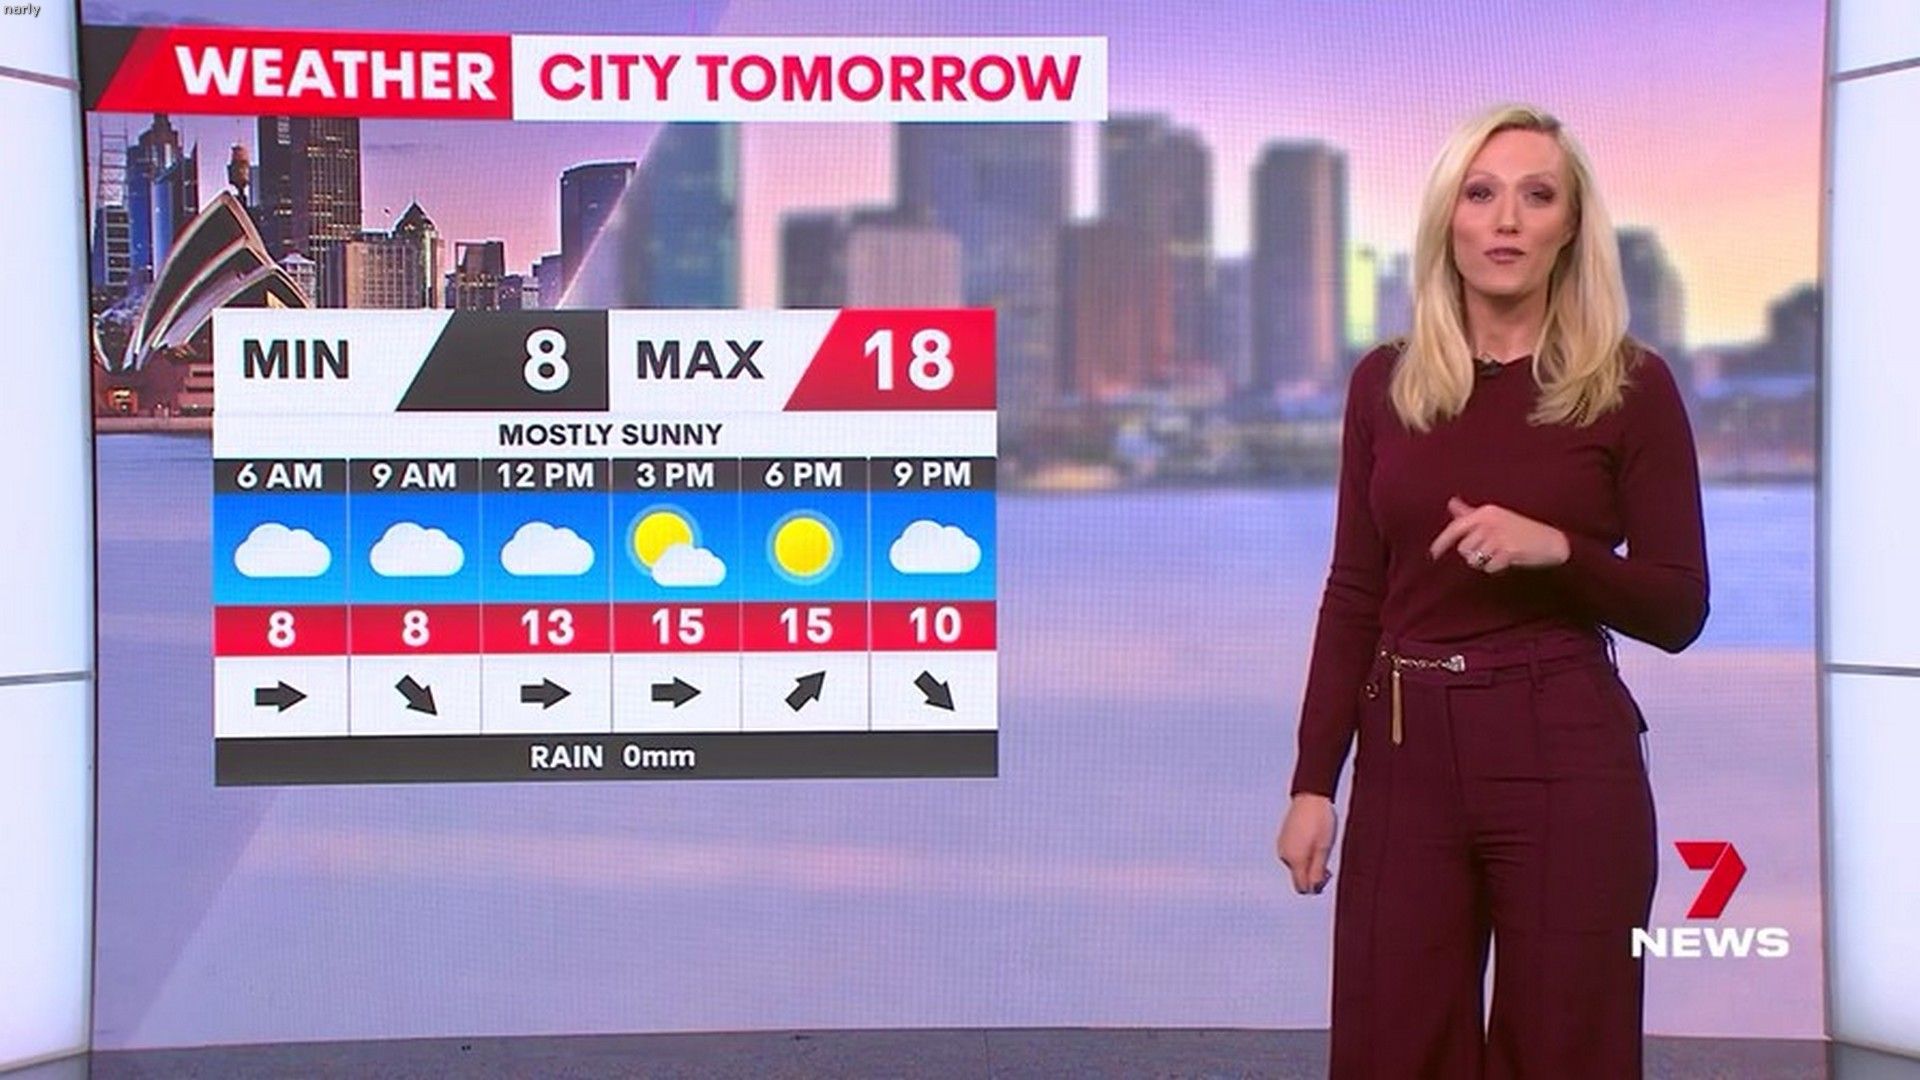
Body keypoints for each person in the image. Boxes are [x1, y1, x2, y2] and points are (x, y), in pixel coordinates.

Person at [1273, 102, 1709, 1080]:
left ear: (1570, 226)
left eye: (1536, 196)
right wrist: (1313, 783)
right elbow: (1354, 592)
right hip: (1404, 752)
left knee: (1564, 1051)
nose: (1506, 219)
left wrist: (1558, 550)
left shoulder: (1632, 388)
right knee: (1392, 1049)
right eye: (1481, 194)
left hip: (1564, 747)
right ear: (1448, 220)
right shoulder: (1383, 384)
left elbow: (1680, 607)